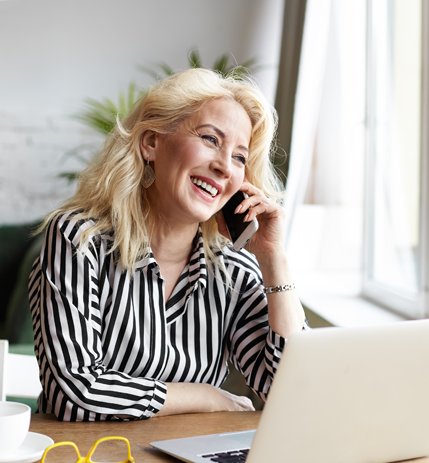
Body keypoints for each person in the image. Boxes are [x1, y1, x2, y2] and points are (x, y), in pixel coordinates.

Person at [29, 68, 307, 422]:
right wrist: (203, 396)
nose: (225, 166)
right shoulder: (79, 239)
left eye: (240, 157)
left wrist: (273, 259)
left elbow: (292, 392)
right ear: (151, 143)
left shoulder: (233, 269)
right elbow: (74, 394)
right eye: (210, 139)